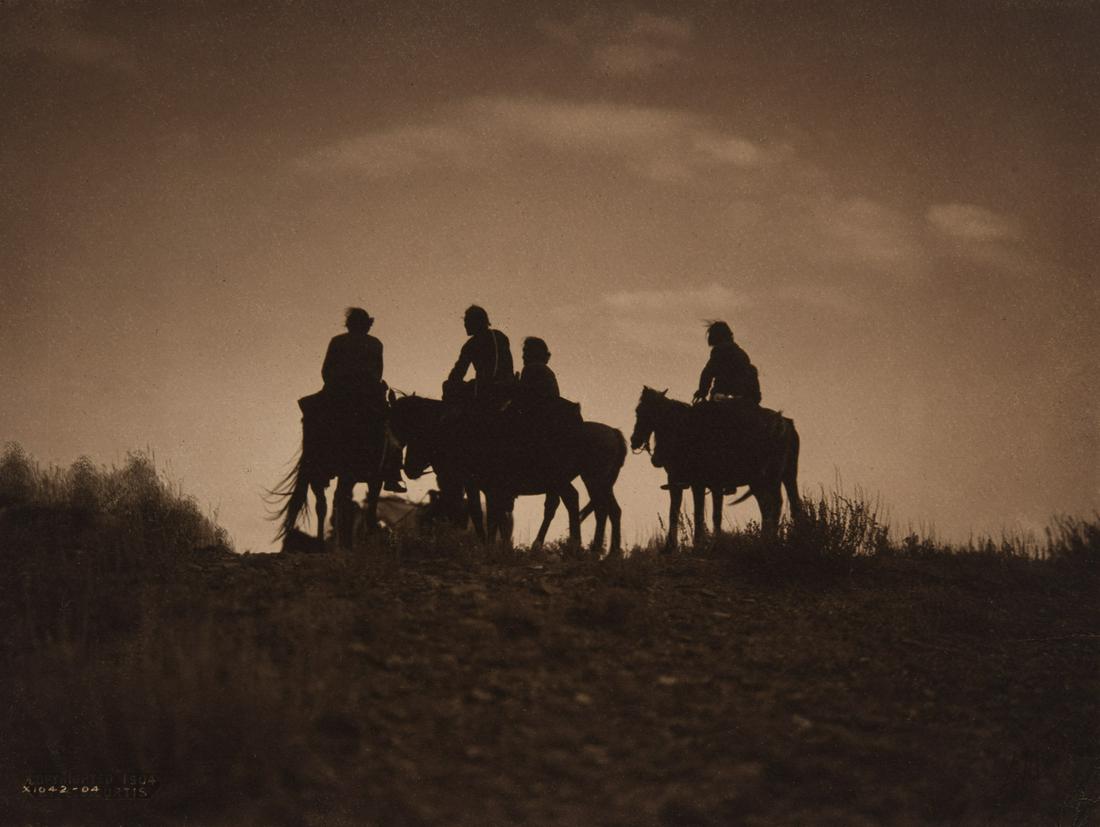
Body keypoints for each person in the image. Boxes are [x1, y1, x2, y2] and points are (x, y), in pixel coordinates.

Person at [322, 307, 405, 492]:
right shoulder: (375, 344)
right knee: (391, 427)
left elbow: (326, 371)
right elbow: (377, 373)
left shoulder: (338, 342)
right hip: (368, 396)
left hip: (340, 396)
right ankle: (392, 474)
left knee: (321, 424)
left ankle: (321, 465)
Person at [445, 305, 514, 404]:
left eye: (467, 321)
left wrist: (451, 384)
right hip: (506, 388)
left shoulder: (471, 344)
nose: (465, 325)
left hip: (485, 391)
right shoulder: (500, 336)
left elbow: (457, 373)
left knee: (448, 386)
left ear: (476, 322)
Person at [692, 321, 761, 405]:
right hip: (744, 398)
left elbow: (707, 373)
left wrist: (702, 392)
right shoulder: (742, 354)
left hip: (722, 397)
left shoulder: (719, 352)